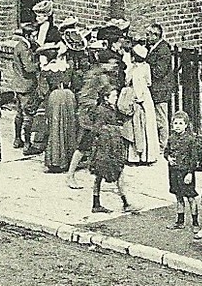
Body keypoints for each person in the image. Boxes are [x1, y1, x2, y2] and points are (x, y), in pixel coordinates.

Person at [68, 50, 120, 189]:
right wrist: (95, 108)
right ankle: (70, 175)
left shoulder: (102, 75)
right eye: (112, 63)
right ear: (104, 64)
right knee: (84, 145)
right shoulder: (97, 76)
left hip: (95, 115)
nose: (114, 66)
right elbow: (84, 97)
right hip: (89, 116)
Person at [88, 86, 136, 214]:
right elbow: (98, 129)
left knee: (99, 176)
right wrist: (115, 129)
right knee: (118, 173)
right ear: (106, 98)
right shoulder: (103, 111)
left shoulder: (107, 109)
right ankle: (125, 203)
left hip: (106, 147)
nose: (116, 98)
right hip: (107, 147)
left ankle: (96, 203)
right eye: (114, 96)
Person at [1, 20, 41, 149]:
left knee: (19, 114)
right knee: (28, 115)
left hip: (18, 84)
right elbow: (29, 68)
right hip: (26, 85)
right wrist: (39, 64)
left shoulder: (19, 45)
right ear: (29, 36)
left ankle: (18, 139)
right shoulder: (25, 49)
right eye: (34, 35)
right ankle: (28, 143)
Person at [164, 111, 202, 232]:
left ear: (186, 125)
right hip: (173, 171)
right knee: (178, 196)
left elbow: (194, 158)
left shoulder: (191, 140)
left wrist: (189, 173)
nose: (177, 126)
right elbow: (166, 151)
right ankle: (180, 221)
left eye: (180, 123)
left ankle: (195, 222)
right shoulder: (171, 138)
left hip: (185, 173)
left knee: (191, 197)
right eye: (175, 123)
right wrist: (168, 158)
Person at [41, 44, 79, 173]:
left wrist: (35, 106)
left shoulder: (46, 70)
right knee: (69, 126)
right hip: (69, 96)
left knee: (55, 127)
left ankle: (56, 161)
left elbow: (43, 90)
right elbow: (76, 84)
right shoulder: (68, 67)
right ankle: (69, 159)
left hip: (55, 97)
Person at [123, 40, 159, 165]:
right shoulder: (142, 67)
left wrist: (140, 96)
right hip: (142, 96)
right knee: (139, 126)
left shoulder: (138, 68)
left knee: (141, 125)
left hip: (140, 97)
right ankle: (140, 157)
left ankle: (142, 156)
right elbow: (147, 82)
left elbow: (131, 82)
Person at [147, 22, 176, 138]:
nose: (147, 37)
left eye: (148, 35)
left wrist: (145, 67)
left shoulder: (163, 49)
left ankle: (162, 147)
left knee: (161, 120)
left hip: (160, 91)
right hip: (156, 91)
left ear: (155, 35)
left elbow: (159, 72)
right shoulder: (155, 48)